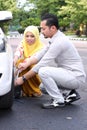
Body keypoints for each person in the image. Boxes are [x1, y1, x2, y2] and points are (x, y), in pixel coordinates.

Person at [14, 13, 86, 109]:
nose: (42, 32)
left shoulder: (59, 42)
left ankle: (58, 101)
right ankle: (70, 94)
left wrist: (22, 79)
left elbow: (42, 64)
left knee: (43, 71)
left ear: (52, 28)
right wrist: (27, 63)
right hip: (68, 75)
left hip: (75, 77)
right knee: (43, 88)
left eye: (43, 29)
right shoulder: (54, 39)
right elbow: (40, 54)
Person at [14, 25, 44, 97]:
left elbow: (33, 58)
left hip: (36, 69)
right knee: (20, 62)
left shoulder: (41, 47)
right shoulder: (23, 43)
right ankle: (25, 90)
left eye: (32, 36)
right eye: (27, 36)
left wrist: (24, 64)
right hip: (24, 66)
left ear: (36, 36)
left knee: (29, 65)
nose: (29, 38)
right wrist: (15, 59)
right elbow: (19, 51)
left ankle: (34, 90)